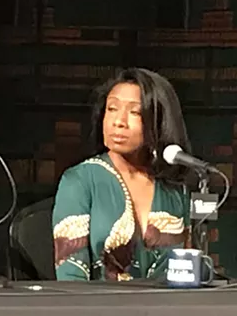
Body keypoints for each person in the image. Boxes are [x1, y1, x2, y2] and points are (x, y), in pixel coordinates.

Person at [52, 68, 192, 281]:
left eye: (134, 112)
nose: (118, 121)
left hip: (166, 310)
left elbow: (191, 272)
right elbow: (70, 277)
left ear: (158, 120)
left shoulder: (175, 188)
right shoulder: (80, 180)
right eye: (112, 109)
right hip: (99, 310)